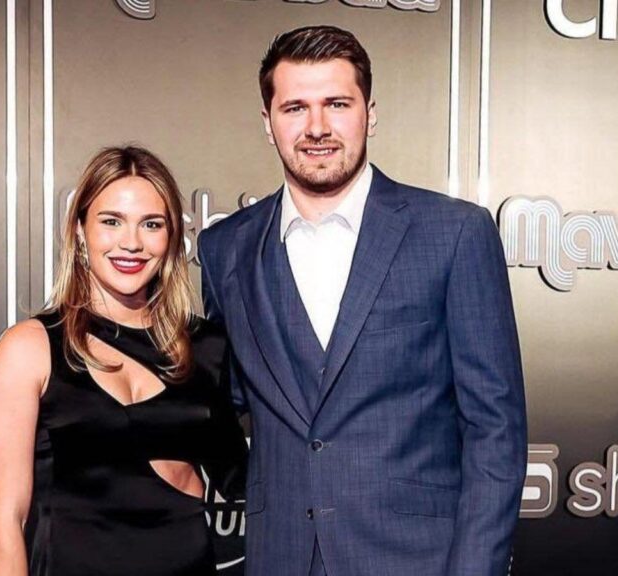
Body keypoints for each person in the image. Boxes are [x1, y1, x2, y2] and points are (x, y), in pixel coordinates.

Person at [198, 25, 527, 576]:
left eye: (337, 104)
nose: (317, 127)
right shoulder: (224, 248)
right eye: (295, 108)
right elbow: (215, 405)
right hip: (281, 558)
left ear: (369, 114)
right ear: (267, 122)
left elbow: (496, 430)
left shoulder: (454, 234)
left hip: (417, 560)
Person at [0, 145, 247, 576]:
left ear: (172, 237)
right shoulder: (30, 348)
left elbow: (243, 476)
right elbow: (5, 523)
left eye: (151, 224)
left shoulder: (206, 346)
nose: (132, 243)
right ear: (80, 230)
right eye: (111, 221)